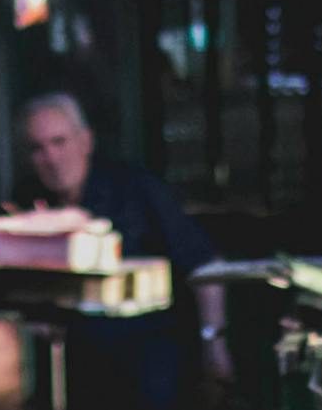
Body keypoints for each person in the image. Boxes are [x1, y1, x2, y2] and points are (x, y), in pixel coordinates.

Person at [17, 91, 216, 280]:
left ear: (86, 141)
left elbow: (203, 263)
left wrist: (212, 318)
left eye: (59, 142)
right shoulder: (24, 201)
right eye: (38, 148)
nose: (51, 158)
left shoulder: (137, 188)